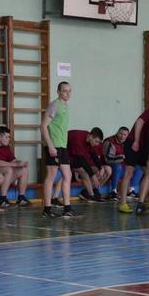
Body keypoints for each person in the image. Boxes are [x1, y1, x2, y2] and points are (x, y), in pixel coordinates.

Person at [41, 82, 74, 218]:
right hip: (53, 145)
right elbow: (43, 126)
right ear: (58, 92)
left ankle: (67, 208)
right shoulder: (54, 105)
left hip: (62, 146)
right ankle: (47, 209)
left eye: (69, 91)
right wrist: (50, 146)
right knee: (51, 176)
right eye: (65, 91)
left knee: (68, 175)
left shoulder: (65, 106)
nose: (67, 93)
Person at [118, 108, 149, 213]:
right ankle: (123, 203)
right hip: (133, 143)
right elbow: (139, 122)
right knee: (129, 173)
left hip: (143, 147)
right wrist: (136, 140)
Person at [66, 128, 104, 202]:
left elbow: (93, 154)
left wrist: (100, 167)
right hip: (64, 153)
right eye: (96, 141)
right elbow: (81, 160)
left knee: (84, 172)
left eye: (99, 142)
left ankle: (91, 195)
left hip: (73, 154)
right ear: (90, 137)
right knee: (83, 171)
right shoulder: (78, 140)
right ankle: (91, 194)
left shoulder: (89, 138)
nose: (97, 144)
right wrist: (93, 176)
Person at [103, 126, 129, 200]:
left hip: (122, 167)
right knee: (118, 167)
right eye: (120, 134)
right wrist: (122, 157)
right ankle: (113, 192)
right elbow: (107, 158)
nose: (122, 136)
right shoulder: (109, 141)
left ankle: (131, 190)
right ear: (117, 133)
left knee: (137, 168)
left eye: (125, 135)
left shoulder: (127, 143)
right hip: (109, 165)